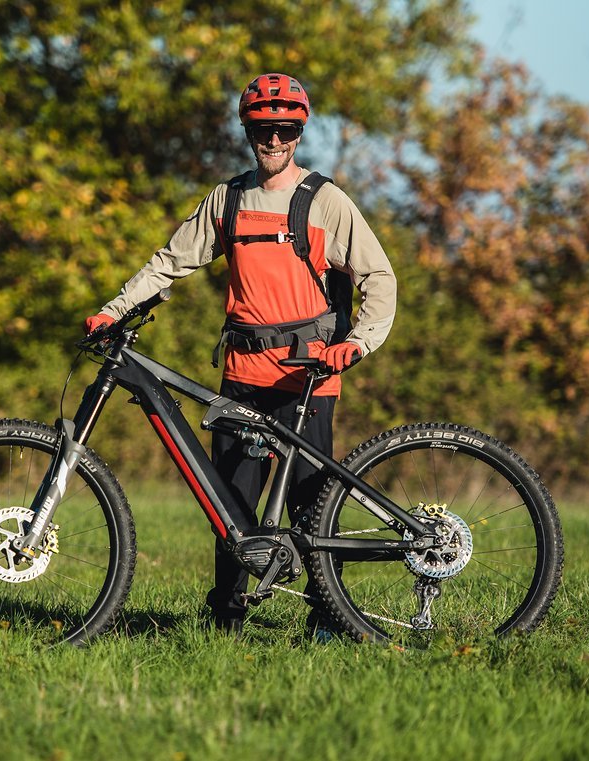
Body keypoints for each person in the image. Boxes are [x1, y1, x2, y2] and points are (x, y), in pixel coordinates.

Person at [84, 73, 397, 636]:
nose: (273, 141)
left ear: (299, 133)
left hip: (308, 377)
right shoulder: (226, 200)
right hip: (241, 376)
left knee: (311, 507)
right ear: (249, 133)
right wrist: (114, 309)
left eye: (284, 130)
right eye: (262, 131)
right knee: (227, 505)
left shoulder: (326, 202)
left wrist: (356, 343)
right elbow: (168, 263)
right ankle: (225, 617)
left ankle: (327, 616)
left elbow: (379, 278)